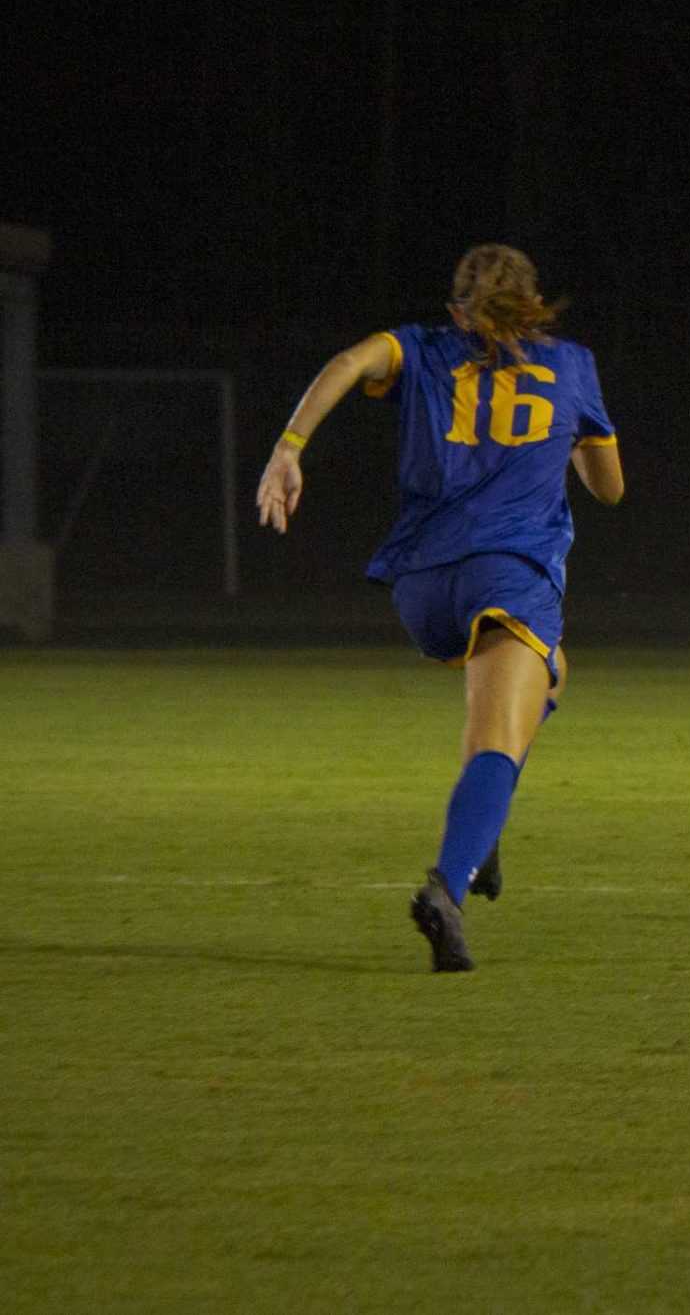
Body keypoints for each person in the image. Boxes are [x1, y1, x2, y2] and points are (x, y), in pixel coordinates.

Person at [254, 245, 622, 973]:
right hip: (509, 572)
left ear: (458, 307)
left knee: (550, 674)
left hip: (421, 584)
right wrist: (574, 441)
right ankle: (447, 886)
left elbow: (348, 363)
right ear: (533, 303)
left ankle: (479, 839)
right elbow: (609, 487)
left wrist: (288, 448)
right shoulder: (571, 363)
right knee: (497, 737)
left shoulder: (421, 346)